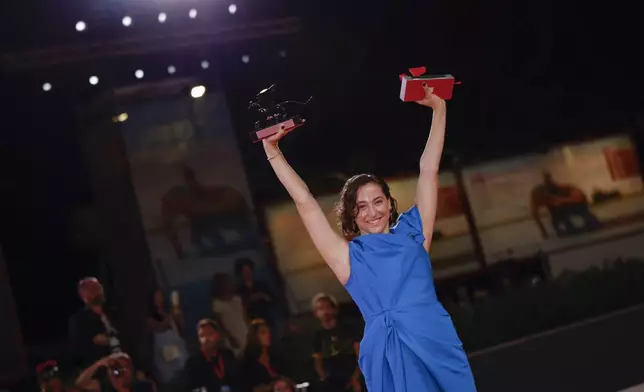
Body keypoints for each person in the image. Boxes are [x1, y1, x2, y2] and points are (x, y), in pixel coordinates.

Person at [262, 84, 477, 391]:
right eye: (360, 207)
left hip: (434, 338)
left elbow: (428, 170)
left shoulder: (416, 234)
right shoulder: (348, 257)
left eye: (377, 202)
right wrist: (273, 153)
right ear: (351, 216)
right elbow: (305, 203)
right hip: (387, 352)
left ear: (389, 204)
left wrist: (439, 109)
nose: (372, 212)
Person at [310, 293, 362, 391]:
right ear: (315, 313)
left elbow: (360, 355)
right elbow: (318, 361)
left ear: (334, 309)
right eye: (320, 308)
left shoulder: (349, 329)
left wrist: (356, 377)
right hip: (333, 381)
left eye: (327, 307)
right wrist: (324, 378)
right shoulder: (317, 335)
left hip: (354, 374)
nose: (325, 311)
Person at [68, 277, 122, 368]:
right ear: (83, 296)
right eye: (93, 290)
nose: (99, 292)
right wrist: (93, 342)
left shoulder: (115, 313)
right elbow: (76, 349)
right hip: (102, 368)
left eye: (99, 288)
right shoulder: (79, 321)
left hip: (125, 363)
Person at [183, 319, 239, 392]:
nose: (206, 339)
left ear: (217, 335)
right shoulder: (193, 364)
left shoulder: (227, 355)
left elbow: (238, 380)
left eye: (209, 334)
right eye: (202, 336)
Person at [241, 319, 286, 392]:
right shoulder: (248, 361)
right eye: (263, 333)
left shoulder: (274, 354)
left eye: (269, 332)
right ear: (255, 336)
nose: (268, 335)